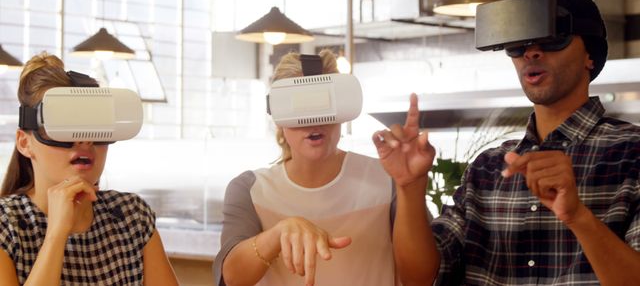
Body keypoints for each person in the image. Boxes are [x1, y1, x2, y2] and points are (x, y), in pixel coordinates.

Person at [373, 0, 640, 285]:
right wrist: (410, 186)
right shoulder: (488, 168)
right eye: (518, 44)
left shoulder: (632, 155)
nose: (531, 52)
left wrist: (578, 217)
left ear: (590, 54)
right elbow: (418, 277)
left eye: (552, 39)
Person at [213, 50, 434, 286]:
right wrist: (277, 235)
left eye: (323, 105)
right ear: (278, 115)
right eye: (301, 109)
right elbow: (232, 278)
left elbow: (421, 279)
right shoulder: (251, 189)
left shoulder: (387, 179)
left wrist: (410, 186)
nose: (315, 121)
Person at [0, 53, 179, 285]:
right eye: (65, 130)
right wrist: (56, 233)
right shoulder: (7, 225)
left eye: (95, 129)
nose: (84, 143)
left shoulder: (131, 216)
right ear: (25, 143)